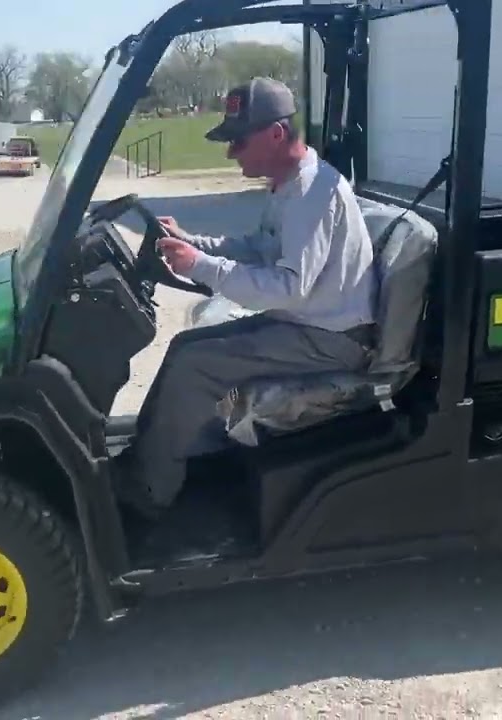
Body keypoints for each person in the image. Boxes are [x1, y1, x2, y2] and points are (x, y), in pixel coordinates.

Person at [114, 76, 378, 519]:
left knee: (195, 365)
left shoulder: (312, 193)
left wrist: (202, 266)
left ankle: (152, 492)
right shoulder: (289, 183)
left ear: (275, 134)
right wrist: (195, 244)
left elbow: (288, 287)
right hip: (306, 323)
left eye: (238, 141)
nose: (230, 153)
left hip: (332, 338)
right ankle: (155, 457)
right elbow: (259, 248)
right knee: (184, 346)